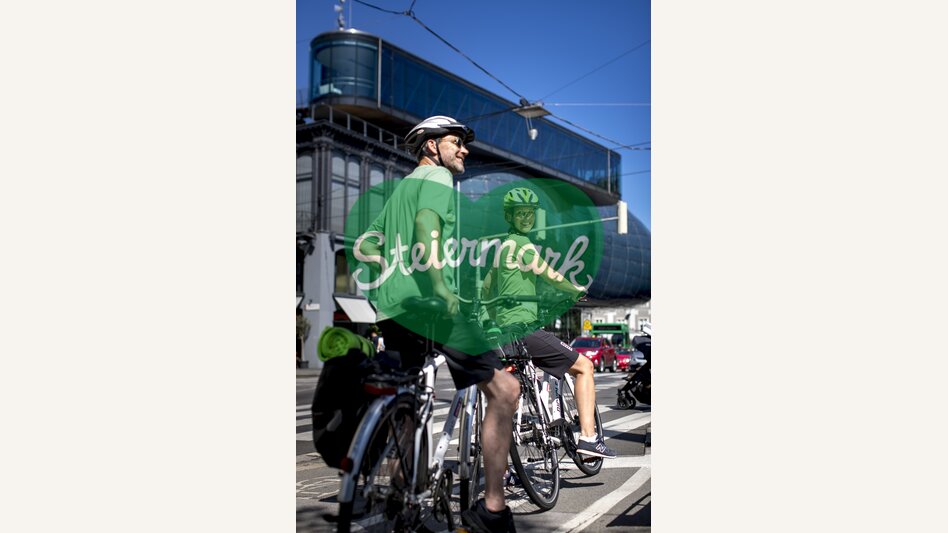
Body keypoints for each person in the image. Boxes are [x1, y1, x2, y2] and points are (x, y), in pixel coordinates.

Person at [355, 116, 520, 533]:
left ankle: (402, 501)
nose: (463, 150)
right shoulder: (438, 180)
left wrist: (392, 271)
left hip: (392, 308)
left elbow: (367, 244)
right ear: (431, 147)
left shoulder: (400, 191)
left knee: (407, 404)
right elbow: (427, 228)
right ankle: (493, 510)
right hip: (431, 305)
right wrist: (439, 285)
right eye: (455, 142)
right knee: (505, 390)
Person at [481, 187, 617, 460]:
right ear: (510, 216)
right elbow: (548, 273)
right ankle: (589, 439)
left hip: (503, 335)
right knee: (585, 367)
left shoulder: (500, 250)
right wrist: (573, 289)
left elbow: (485, 291)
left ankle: (505, 467)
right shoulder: (521, 245)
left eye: (530, 213)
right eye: (520, 213)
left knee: (512, 392)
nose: (526, 218)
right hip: (524, 330)